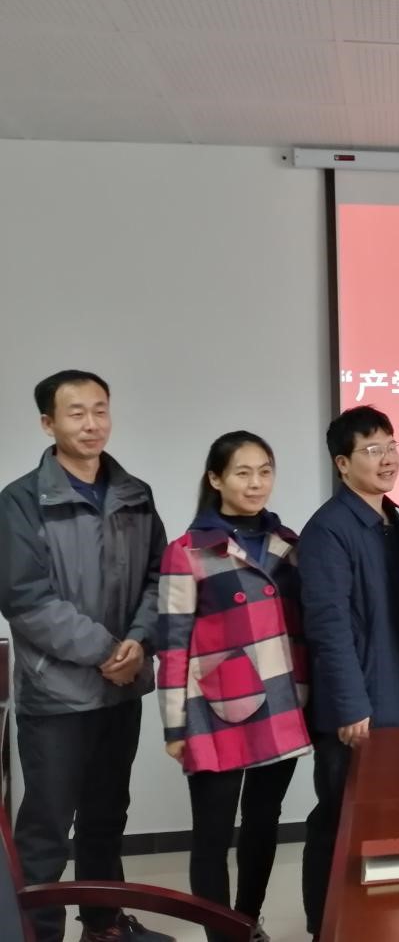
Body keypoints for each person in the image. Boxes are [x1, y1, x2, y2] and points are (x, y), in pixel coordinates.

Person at [0, 370, 172, 942]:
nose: (92, 423)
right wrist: (106, 650)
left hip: (121, 690)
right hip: (57, 696)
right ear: (47, 423)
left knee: (106, 819)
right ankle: (36, 935)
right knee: (46, 830)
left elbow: (160, 577)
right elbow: (26, 600)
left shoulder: (135, 494)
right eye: (76, 413)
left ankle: (103, 927)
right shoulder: (21, 501)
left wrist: (139, 640)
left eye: (100, 410)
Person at [155, 432, 310, 942]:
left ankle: (247, 921)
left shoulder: (288, 545)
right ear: (216, 479)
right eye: (242, 472)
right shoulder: (188, 553)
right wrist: (174, 726)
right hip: (212, 709)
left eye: (264, 471)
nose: (256, 483)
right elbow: (172, 644)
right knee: (212, 834)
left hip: (280, 702)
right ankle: (221, 936)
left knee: (263, 822)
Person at [299, 406, 399, 938]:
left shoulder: (396, 521)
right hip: (356, 707)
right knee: (338, 820)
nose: (387, 458)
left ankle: (375, 922)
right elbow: (327, 627)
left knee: (386, 817)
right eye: (373, 450)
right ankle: (323, 927)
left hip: (398, 695)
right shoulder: (328, 530)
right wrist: (351, 706)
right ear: (342, 463)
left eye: (392, 446)